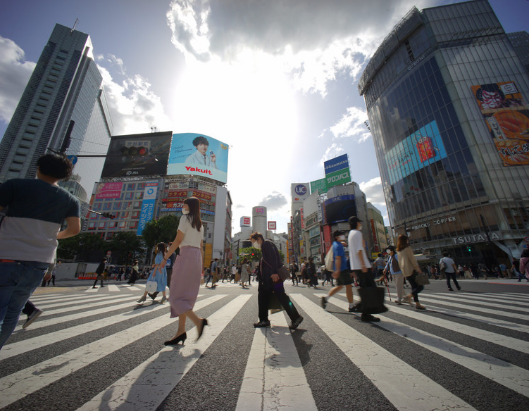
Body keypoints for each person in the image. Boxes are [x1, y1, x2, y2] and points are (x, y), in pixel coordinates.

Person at [0, 153, 81, 349]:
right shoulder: (70, 199)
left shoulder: (14, 185)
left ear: (38, 168)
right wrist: (53, 236)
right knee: (13, 312)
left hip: (7, 255)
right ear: (63, 176)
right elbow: (74, 229)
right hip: (38, 262)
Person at [162, 197, 207, 345]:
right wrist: (201, 270)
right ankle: (180, 332)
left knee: (175, 295)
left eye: (184, 204)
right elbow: (201, 247)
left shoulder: (185, 218)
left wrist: (165, 258)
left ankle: (198, 322)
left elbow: (178, 240)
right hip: (196, 258)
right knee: (185, 296)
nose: (183, 206)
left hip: (186, 255)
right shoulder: (200, 224)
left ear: (189, 206)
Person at [251, 232, 303, 330]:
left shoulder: (267, 244)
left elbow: (274, 258)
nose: (254, 244)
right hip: (269, 278)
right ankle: (295, 317)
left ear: (258, 239)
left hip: (273, 277)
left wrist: (274, 272)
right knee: (271, 296)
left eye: (254, 241)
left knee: (276, 296)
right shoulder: (265, 245)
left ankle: (265, 320)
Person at [346, 217, 383, 322]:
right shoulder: (357, 233)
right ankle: (364, 312)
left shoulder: (350, 234)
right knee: (369, 289)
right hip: (362, 266)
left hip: (356, 266)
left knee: (366, 289)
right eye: (359, 222)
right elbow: (359, 250)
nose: (360, 224)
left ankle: (363, 310)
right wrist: (363, 264)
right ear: (357, 223)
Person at [321, 230, 356, 313]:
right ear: (337, 237)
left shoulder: (335, 244)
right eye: (341, 235)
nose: (343, 236)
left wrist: (342, 243)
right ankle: (351, 305)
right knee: (348, 286)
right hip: (342, 269)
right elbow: (338, 258)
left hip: (339, 269)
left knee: (339, 286)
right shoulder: (338, 246)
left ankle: (326, 298)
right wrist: (337, 271)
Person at [396, 235, 425, 310]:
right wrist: (417, 268)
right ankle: (408, 296)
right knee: (420, 286)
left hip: (405, 271)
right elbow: (412, 259)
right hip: (411, 269)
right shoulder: (407, 248)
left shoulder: (398, 250)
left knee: (414, 287)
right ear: (405, 240)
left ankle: (417, 304)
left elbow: (399, 262)